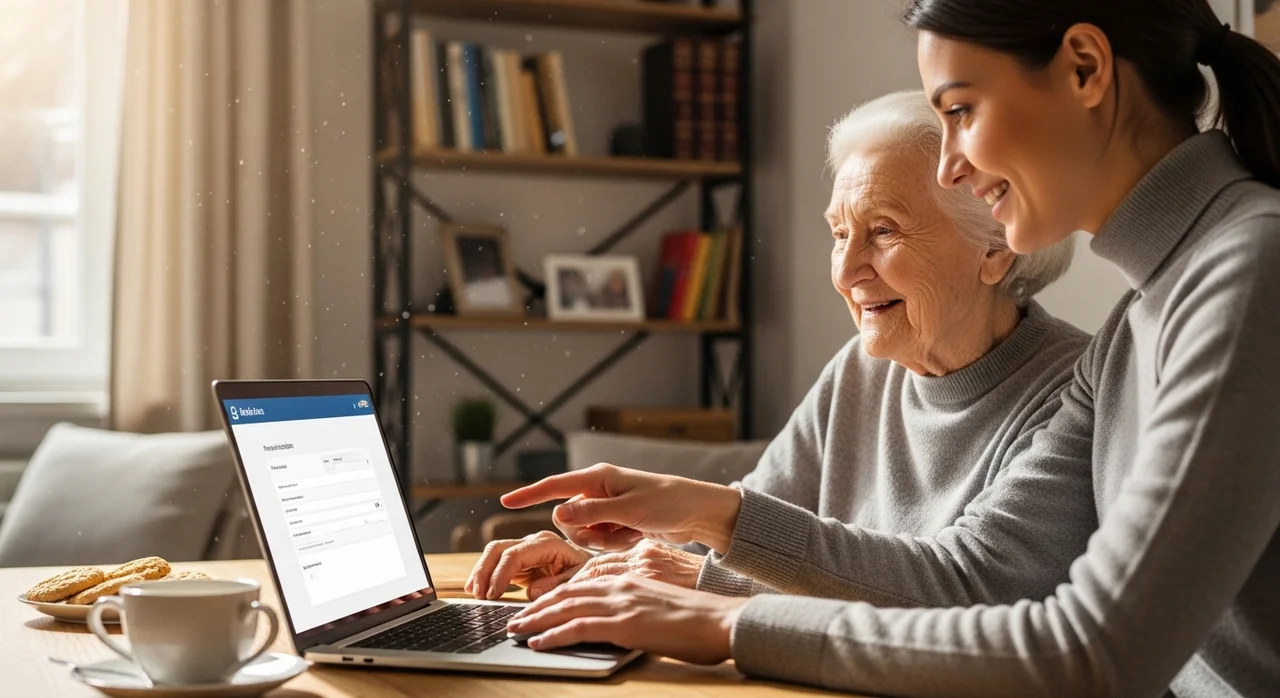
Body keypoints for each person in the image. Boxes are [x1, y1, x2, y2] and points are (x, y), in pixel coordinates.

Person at [493, 2, 1280, 696]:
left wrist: (725, 625)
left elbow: (1090, 649)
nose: (951, 165)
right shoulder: (1137, 325)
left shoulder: (1249, 272)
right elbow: (963, 583)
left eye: (963, 110)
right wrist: (654, 561)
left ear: (1085, 68)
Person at [464, 90, 1087, 604]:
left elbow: (969, 587)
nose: (846, 272)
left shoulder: (1074, 392)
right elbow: (760, 543)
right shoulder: (862, 373)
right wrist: (600, 569)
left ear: (996, 248)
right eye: (839, 234)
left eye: (884, 231)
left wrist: (704, 546)